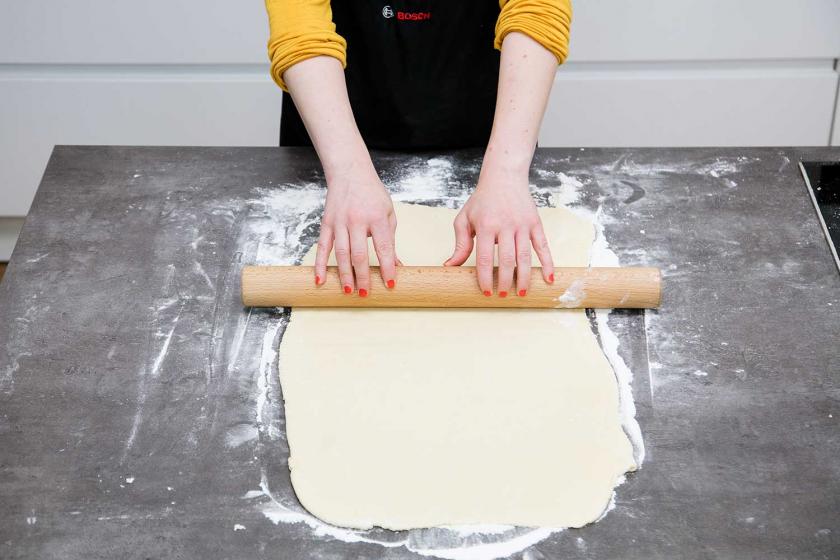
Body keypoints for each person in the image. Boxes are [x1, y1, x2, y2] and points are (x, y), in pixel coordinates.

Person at [265, 1, 572, 297]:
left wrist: (506, 172)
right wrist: (346, 171)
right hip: (332, 125)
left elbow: (536, 9)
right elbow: (299, 26)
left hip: (486, 131)